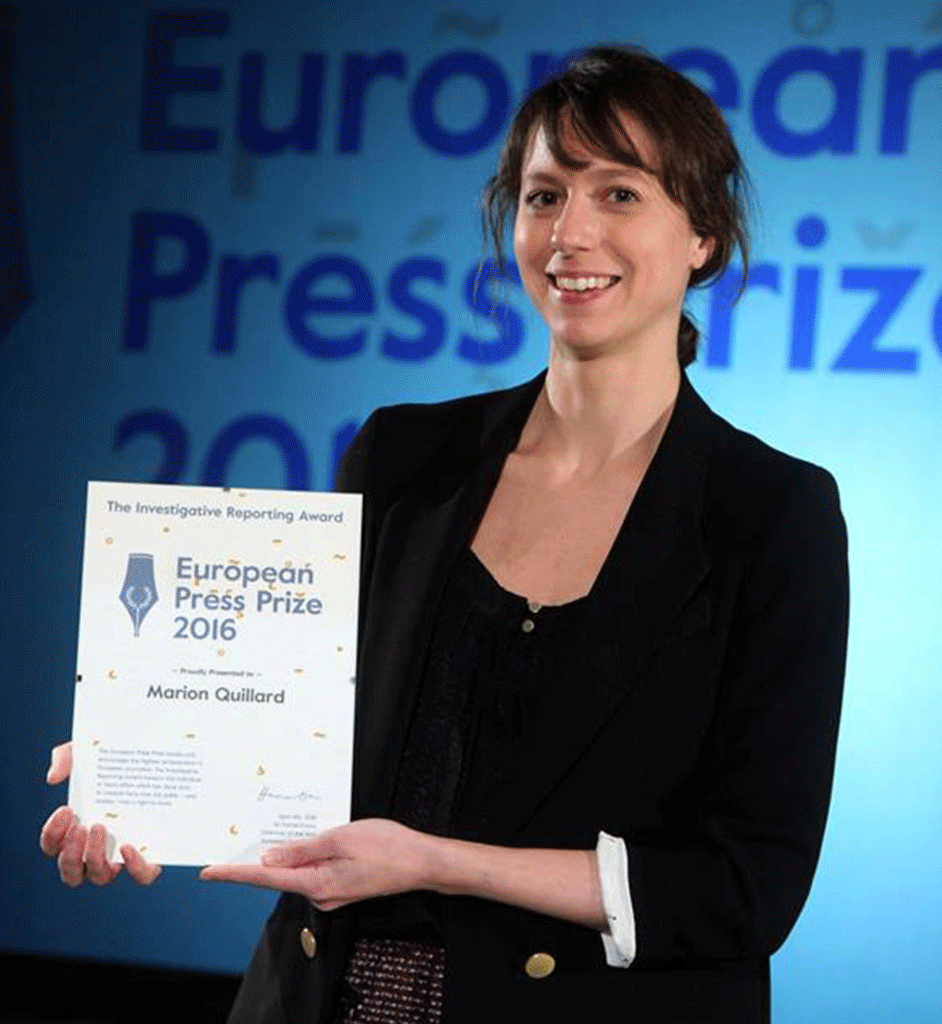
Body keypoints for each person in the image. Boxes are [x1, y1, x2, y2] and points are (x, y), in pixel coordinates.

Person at [42, 45, 848, 1024]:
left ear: (704, 236)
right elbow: (297, 733)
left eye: (620, 194)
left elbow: (743, 886)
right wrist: (149, 761)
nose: (571, 232)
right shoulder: (402, 459)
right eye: (544, 196)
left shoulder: (772, 514)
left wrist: (433, 862)